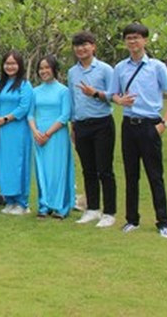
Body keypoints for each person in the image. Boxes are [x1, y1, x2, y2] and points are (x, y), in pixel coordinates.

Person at [110, 23, 167, 238]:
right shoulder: (120, 68)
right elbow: (113, 94)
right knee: (131, 175)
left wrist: (164, 123)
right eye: (129, 38)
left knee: (155, 175)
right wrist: (119, 100)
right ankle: (132, 219)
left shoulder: (156, 67)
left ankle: (163, 222)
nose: (133, 42)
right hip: (129, 125)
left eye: (137, 38)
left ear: (145, 40)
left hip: (150, 125)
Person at [67, 31, 117, 228]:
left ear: (93, 46)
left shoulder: (105, 70)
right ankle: (92, 209)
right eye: (77, 45)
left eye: (85, 44)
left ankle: (110, 212)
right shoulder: (72, 72)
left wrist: (95, 93)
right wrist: (73, 126)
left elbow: (115, 96)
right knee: (88, 169)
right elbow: (72, 99)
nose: (81, 49)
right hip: (81, 125)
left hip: (102, 123)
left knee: (105, 169)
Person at [29, 55, 76, 219]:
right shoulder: (35, 91)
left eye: (47, 67)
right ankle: (44, 205)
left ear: (54, 69)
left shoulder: (63, 91)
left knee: (58, 170)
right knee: (42, 170)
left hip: (56, 135)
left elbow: (65, 115)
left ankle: (60, 207)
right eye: (41, 68)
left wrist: (48, 133)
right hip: (38, 135)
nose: (44, 71)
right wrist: (35, 131)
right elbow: (30, 114)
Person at [0, 50, 34, 215]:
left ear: (20, 65)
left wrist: (6, 119)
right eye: (7, 63)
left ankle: (22, 203)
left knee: (19, 165)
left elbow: (24, 107)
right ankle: (9, 200)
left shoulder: (24, 84)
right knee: (5, 165)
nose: (10, 67)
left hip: (18, 130)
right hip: (2, 132)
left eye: (13, 63)